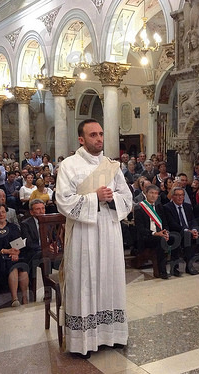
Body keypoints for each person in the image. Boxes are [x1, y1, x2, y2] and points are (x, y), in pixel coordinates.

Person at [55, 118, 133, 358]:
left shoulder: (112, 166)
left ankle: (112, 334)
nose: (99, 139)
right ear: (81, 139)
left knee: (109, 277)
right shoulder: (69, 165)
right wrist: (94, 198)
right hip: (82, 235)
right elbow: (63, 201)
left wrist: (112, 198)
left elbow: (127, 198)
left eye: (101, 134)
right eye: (93, 135)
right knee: (85, 281)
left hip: (109, 230)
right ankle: (83, 340)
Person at [0, 203, 29, 307]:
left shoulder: (13, 227)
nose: (1, 215)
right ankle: (14, 299)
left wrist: (16, 252)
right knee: (13, 267)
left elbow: (19, 242)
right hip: (0, 258)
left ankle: (25, 298)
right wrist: (7, 251)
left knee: (22, 268)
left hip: (15, 255)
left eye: (3, 212)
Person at [134, 184, 170, 279]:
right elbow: (140, 229)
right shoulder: (139, 208)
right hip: (147, 237)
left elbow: (165, 223)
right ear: (146, 194)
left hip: (160, 234)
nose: (154, 196)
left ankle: (176, 267)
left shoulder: (159, 207)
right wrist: (155, 233)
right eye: (151, 193)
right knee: (160, 241)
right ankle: (162, 271)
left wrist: (166, 232)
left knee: (177, 236)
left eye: (156, 193)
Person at [163, 186, 199, 276]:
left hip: (188, 231)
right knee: (186, 236)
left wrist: (194, 230)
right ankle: (176, 268)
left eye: (182, 195)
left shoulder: (187, 206)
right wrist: (187, 230)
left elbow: (193, 220)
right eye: (177, 195)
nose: (180, 197)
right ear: (172, 196)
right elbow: (172, 224)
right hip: (175, 231)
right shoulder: (167, 207)